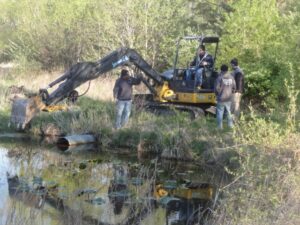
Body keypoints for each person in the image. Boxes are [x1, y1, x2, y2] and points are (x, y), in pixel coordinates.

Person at [214, 64, 236, 129]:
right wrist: (231, 93)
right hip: (229, 98)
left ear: (221, 70)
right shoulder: (232, 77)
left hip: (221, 98)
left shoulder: (219, 78)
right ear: (227, 70)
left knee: (220, 113)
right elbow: (234, 88)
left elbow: (216, 88)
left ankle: (220, 127)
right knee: (229, 112)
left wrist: (217, 94)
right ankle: (230, 126)